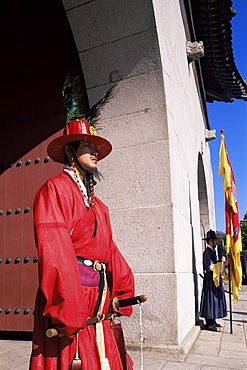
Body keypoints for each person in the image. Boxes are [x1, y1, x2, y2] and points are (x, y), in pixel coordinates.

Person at [29, 76, 135, 369]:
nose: (94, 151)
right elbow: (55, 250)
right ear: (70, 151)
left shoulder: (98, 205)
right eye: (87, 145)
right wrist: (69, 305)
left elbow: (108, 248)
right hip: (70, 297)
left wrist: (123, 288)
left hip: (99, 294)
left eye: (96, 146)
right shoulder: (54, 190)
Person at [199, 229, 229, 331]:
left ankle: (213, 321)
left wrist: (222, 266)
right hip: (210, 280)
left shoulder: (212, 252)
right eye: (215, 240)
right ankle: (209, 323)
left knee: (214, 300)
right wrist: (223, 264)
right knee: (210, 300)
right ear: (210, 241)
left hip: (214, 279)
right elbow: (211, 266)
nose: (217, 242)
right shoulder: (207, 252)